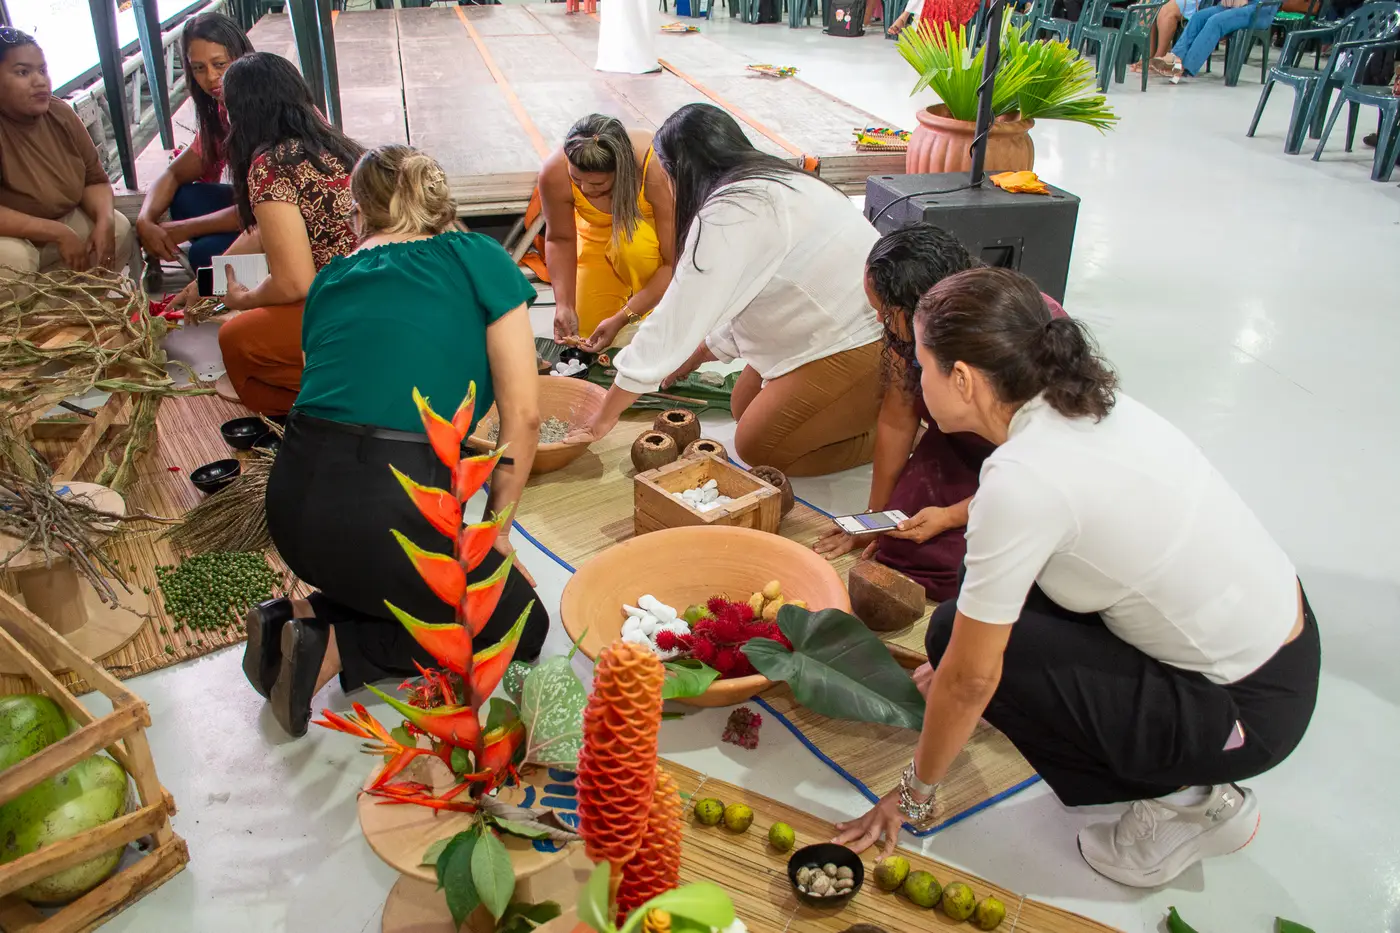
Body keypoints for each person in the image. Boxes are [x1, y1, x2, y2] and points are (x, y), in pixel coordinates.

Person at [833, 267, 1319, 888]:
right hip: (1284, 640)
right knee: (966, 621)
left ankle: (1192, 802)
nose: (918, 381)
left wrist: (913, 794)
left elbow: (973, 678)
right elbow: (1040, 505)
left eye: (923, 365)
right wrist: (953, 518)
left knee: (961, 647)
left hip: (1244, 713)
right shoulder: (1085, 404)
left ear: (963, 378)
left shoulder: (1023, 480)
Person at [247, 145, 549, 737]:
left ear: (359, 209)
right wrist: (497, 532)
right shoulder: (478, 257)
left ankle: (300, 614)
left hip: (293, 506)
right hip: (388, 509)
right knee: (520, 625)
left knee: (392, 572)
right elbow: (526, 415)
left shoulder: (333, 276)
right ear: (441, 202)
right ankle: (337, 643)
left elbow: (332, 388)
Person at [568, 103, 885, 477]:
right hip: (822, 328)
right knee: (742, 405)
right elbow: (757, 290)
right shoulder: (771, 181)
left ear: (679, 171)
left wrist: (603, 417)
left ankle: (892, 433)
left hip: (859, 340)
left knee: (758, 447)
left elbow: (674, 319)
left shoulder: (730, 211)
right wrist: (701, 352)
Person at [813, 225, 1065, 601]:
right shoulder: (910, 332)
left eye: (886, 312)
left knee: (959, 567)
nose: (881, 322)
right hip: (956, 444)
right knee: (898, 539)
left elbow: (1040, 473)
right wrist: (873, 517)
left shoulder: (1018, 330)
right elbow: (897, 419)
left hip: (1023, 460)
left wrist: (951, 515)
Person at [213, 52, 361, 416]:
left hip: (350, 311)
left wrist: (243, 300)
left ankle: (340, 404)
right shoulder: (337, 147)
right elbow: (263, 236)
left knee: (235, 339)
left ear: (242, 112)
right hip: (388, 294)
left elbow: (295, 283)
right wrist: (207, 280)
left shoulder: (271, 165)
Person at [0, 28, 132, 276]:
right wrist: (57, 233)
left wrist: (105, 220)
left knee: (118, 229)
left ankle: (79, 301)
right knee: (13, 263)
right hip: (11, 237)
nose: (39, 81)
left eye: (42, 70)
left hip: (62, 221)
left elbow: (94, 181)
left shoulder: (60, 113)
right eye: (23, 72)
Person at [541, 114, 674, 347]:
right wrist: (564, 304)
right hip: (597, 239)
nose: (584, 188)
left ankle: (654, 310)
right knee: (590, 337)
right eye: (576, 180)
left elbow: (674, 262)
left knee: (631, 244)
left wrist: (626, 315)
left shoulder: (655, 168)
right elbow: (560, 239)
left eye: (597, 184)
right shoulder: (555, 171)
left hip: (648, 244)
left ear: (621, 170)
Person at [136, 13, 252, 275]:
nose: (211, 77)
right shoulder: (223, 111)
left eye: (219, 64)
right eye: (199, 68)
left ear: (241, 58)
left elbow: (264, 208)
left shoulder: (261, 109)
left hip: (297, 224)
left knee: (204, 256)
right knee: (184, 198)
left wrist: (185, 229)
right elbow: (173, 174)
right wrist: (145, 220)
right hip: (259, 209)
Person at [1150, 0, 1275, 81]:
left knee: (1216, 21)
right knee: (1198, 17)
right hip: (1235, 5)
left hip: (1261, 8)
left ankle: (1184, 66)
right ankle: (1175, 57)